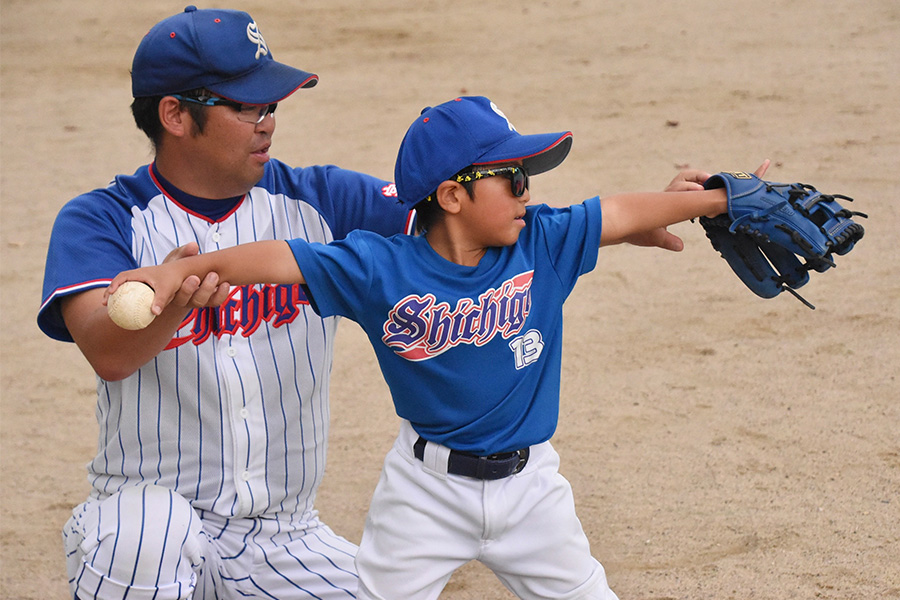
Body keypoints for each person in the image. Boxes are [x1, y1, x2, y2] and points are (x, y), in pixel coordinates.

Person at [104, 95, 769, 599]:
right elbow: (280, 260)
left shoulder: (542, 239)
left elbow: (618, 213)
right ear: (452, 194)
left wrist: (709, 201)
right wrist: (173, 274)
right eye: (511, 177)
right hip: (424, 492)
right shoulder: (379, 267)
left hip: (532, 489)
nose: (527, 192)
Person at [38, 6, 416, 599]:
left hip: (287, 540)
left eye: (270, 105)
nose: (267, 122)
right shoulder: (104, 220)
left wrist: (582, 225)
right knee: (146, 537)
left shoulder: (323, 202)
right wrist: (172, 305)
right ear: (176, 115)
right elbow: (106, 353)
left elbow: (459, 219)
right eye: (245, 106)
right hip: (149, 521)